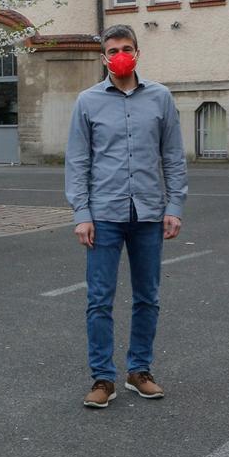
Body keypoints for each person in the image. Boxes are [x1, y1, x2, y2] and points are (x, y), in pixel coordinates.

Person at [65, 25, 186, 409]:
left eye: (127, 48)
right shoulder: (87, 102)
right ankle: (103, 378)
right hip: (103, 215)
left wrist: (174, 206)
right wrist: (82, 213)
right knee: (99, 299)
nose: (121, 54)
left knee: (147, 297)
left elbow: (173, 157)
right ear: (103, 57)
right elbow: (78, 161)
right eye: (113, 49)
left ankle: (139, 371)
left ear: (137, 53)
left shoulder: (161, 98)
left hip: (149, 213)